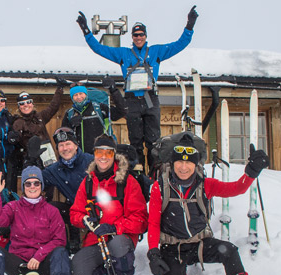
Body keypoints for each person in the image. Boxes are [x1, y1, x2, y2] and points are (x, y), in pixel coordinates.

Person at [146, 134, 269, 275]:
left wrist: (251, 173)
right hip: (173, 247)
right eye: (179, 162)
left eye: (188, 162)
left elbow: (236, 188)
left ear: (195, 165)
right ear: (172, 163)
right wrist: (153, 252)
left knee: (229, 251)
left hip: (200, 243)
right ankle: (180, 273)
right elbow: (153, 222)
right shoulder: (160, 187)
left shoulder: (205, 185)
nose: (183, 167)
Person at [76, 7, 198, 168]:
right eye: (135, 35)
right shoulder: (124, 54)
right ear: (132, 37)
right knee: (135, 142)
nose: (138, 37)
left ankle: (155, 174)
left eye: (141, 34)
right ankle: (139, 174)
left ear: (145, 36)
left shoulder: (156, 51)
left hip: (150, 100)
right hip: (132, 101)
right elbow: (100, 49)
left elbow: (180, 44)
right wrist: (86, 30)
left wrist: (190, 25)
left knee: (154, 141)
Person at [69, 135, 148, 275]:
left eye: (108, 153)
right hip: (96, 240)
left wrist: (114, 227)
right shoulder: (88, 182)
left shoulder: (128, 181)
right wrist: (84, 220)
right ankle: (105, 269)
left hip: (120, 238)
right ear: (94, 154)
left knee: (117, 245)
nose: (103, 157)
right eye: (99, 152)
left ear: (114, 155)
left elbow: (141, 220)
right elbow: (74, 213)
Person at [42, 127, 94, 254]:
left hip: (98, 209)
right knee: (51, 208)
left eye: (68, 144)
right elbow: (36, 181)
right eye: (61, 145)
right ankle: (65, 243)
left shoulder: (91, 161)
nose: (65, 148)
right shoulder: (55, 169)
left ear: (76, 146)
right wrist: (31, 162)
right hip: (75, 211)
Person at [7, 78, 69, 170]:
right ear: (19, 107)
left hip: (47, 155)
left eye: (28, 102)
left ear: (32, 104)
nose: (26, 105)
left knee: (50, 178)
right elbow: (15, 140)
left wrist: (60, 89)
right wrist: (13, 138)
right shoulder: (18, 122)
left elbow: (53, 107)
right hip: (31, 159)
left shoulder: (40, 117)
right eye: (22, 103)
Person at [61, 79, 127, 154]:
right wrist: (71, 126)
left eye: (81, 93)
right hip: (80, 158)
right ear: (72, 98)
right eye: (75, 95)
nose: (79, 97)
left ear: (86, 94)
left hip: (101, 155)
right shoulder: (70, 113)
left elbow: (121, 111)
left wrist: (114, 90)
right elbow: (63, 137)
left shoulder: (99, 108)